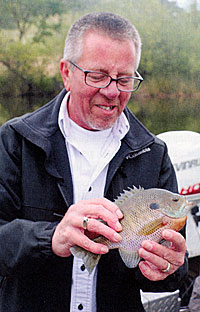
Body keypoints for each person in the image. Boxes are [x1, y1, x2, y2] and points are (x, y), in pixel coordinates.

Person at [0, 12, 188, 312]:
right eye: (97, 76)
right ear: (66, 73)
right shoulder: (14, 141)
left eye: (125, 79)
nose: (112, 91)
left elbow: (167, 276)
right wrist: (51, 237)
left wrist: (171, 268)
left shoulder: (154, 154)